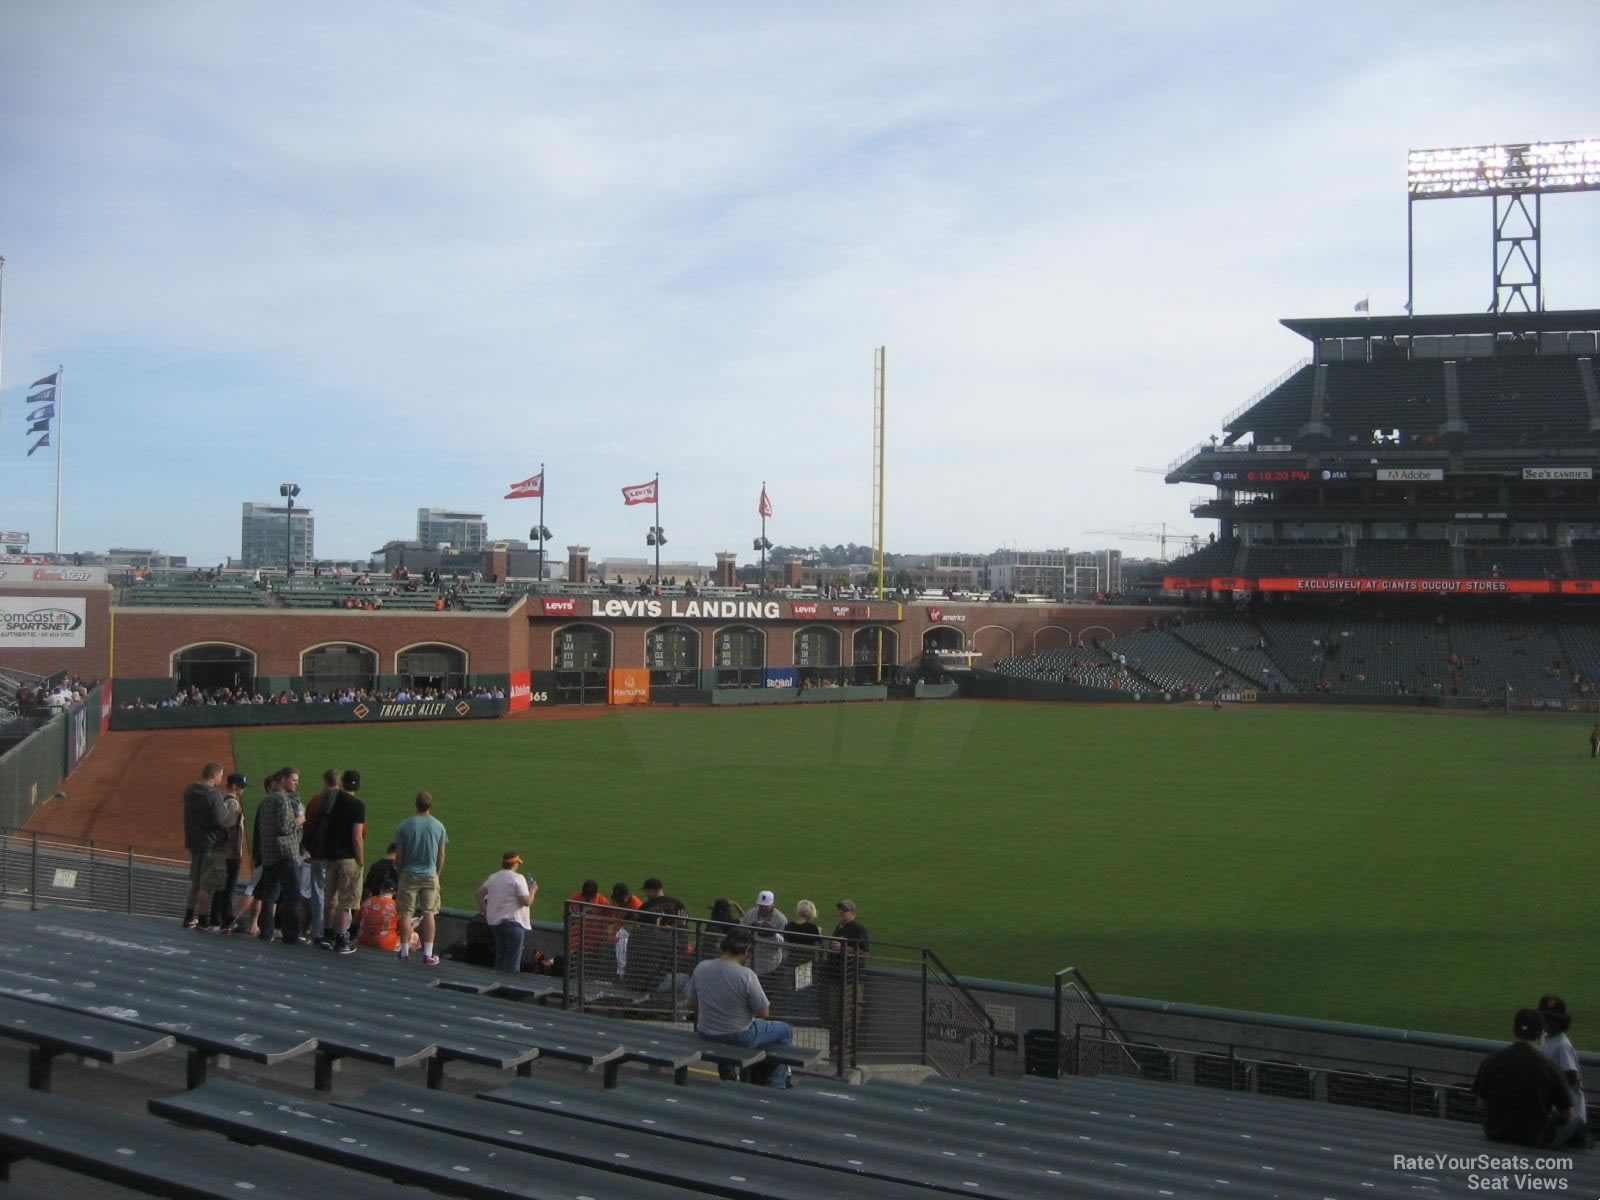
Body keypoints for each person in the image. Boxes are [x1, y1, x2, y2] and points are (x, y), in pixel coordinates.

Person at [685, 928, 795, 1089]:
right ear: (747, 951)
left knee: (746, 1034)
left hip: (706, 1033)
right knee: (785, 1030)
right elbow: (763, 1013)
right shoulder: (746, 975)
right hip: (740, 1036)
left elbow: (691, 1003)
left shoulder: (702, 967)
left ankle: (728, 1069)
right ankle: (776, 1084)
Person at [1472, 1008, 1582, 1148]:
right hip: (1534, 1139)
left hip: (1495, 1133)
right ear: (1542, 1033)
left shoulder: (1490, 1060)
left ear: (1513, 1029)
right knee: (1578, 1124)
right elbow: (1568, 1116)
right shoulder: (1550, 1067)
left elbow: (1481, 1104)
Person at [393, 790, 448, 965]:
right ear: (431, 805)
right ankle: (428, 954)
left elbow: (399, 854)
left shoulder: (404, 825)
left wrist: (401, 870)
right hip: (429, 874)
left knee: (405, 914)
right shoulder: (438, 826)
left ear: (415, 804)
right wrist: (437, 873)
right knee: (429, 913)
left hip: (409, 873)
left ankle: (403, 951)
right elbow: (441, 855)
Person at [255, 766, 306, 945]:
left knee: (270, 895)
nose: (296, 783)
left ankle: (266, 932)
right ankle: (291, 935)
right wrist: (299, 821)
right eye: (293, 779)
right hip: (285, 854)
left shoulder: (267, 800)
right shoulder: (283, 801)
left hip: (269, 854)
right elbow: (285, 828)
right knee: (292, 896)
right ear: (283, 779)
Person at [317, 769, 366, 954]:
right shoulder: (358, 805)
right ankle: (341, 939)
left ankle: (327, 936)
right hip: (348, 859)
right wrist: (361, 860)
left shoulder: (331, 799)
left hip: (330, 856)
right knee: (346, 902)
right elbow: (357, 837)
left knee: (330, 899)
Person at [1537, 996, 1589, 1148]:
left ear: (1562, 1023)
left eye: (1552, 1019)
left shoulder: (1562, 1045)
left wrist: (1549, 1085)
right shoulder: (1546, 1038)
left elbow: (1571, 1076)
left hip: (1572, 1118)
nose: (1547, 1022)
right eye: (1545, 1018)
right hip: (1560, 1113)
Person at [182, 762, 228, 928]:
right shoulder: (214, 795)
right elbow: (220, 821)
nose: (221, 779)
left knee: (195, 882)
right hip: (211, 845)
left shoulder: (189, 790)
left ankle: (188, 917)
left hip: (194, 843)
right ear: (214, 775)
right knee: (205, 886)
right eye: (220, 775)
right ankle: (202, 920)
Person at [476, 851, 536, 974]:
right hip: (514, 924)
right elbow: (526, 901)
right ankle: (510, 988)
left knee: (501, 958)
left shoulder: (494, 877)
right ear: (514, 863)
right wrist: (533, 890)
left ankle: (497, 986)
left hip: (496, 924)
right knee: (513, 963)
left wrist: (484, 910)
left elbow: (479, 893)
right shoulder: (518, 878)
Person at [206, 772, 249, 932]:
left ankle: (216, 920)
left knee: (221, 886)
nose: (243, 789)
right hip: (229, 853)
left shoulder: (222, 801)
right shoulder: (232, 804)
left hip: (220, 851)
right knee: (228, 887)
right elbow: (231, 830)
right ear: (235, 786)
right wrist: (236, 852)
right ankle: (224, 920)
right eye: (242, 786)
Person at [301, 768, 339, 943]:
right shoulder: (347, 802)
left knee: (317, 894)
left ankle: (318, 933)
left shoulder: (316, 801)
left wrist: (308, 847)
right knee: (335, 895)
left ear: (325, 781)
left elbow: (307, 828)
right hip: (338, 856)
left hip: (317, 854)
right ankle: (333, 932)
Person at [740, 889, 789, 977]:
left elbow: (783, 943)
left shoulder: (781, 919)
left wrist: (771, 934)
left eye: (765, 906)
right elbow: (741, 931)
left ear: (772, 904)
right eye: (761, 905)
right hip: (751, 960)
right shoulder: (750, 914)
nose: (762, 908)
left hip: (770, 963)